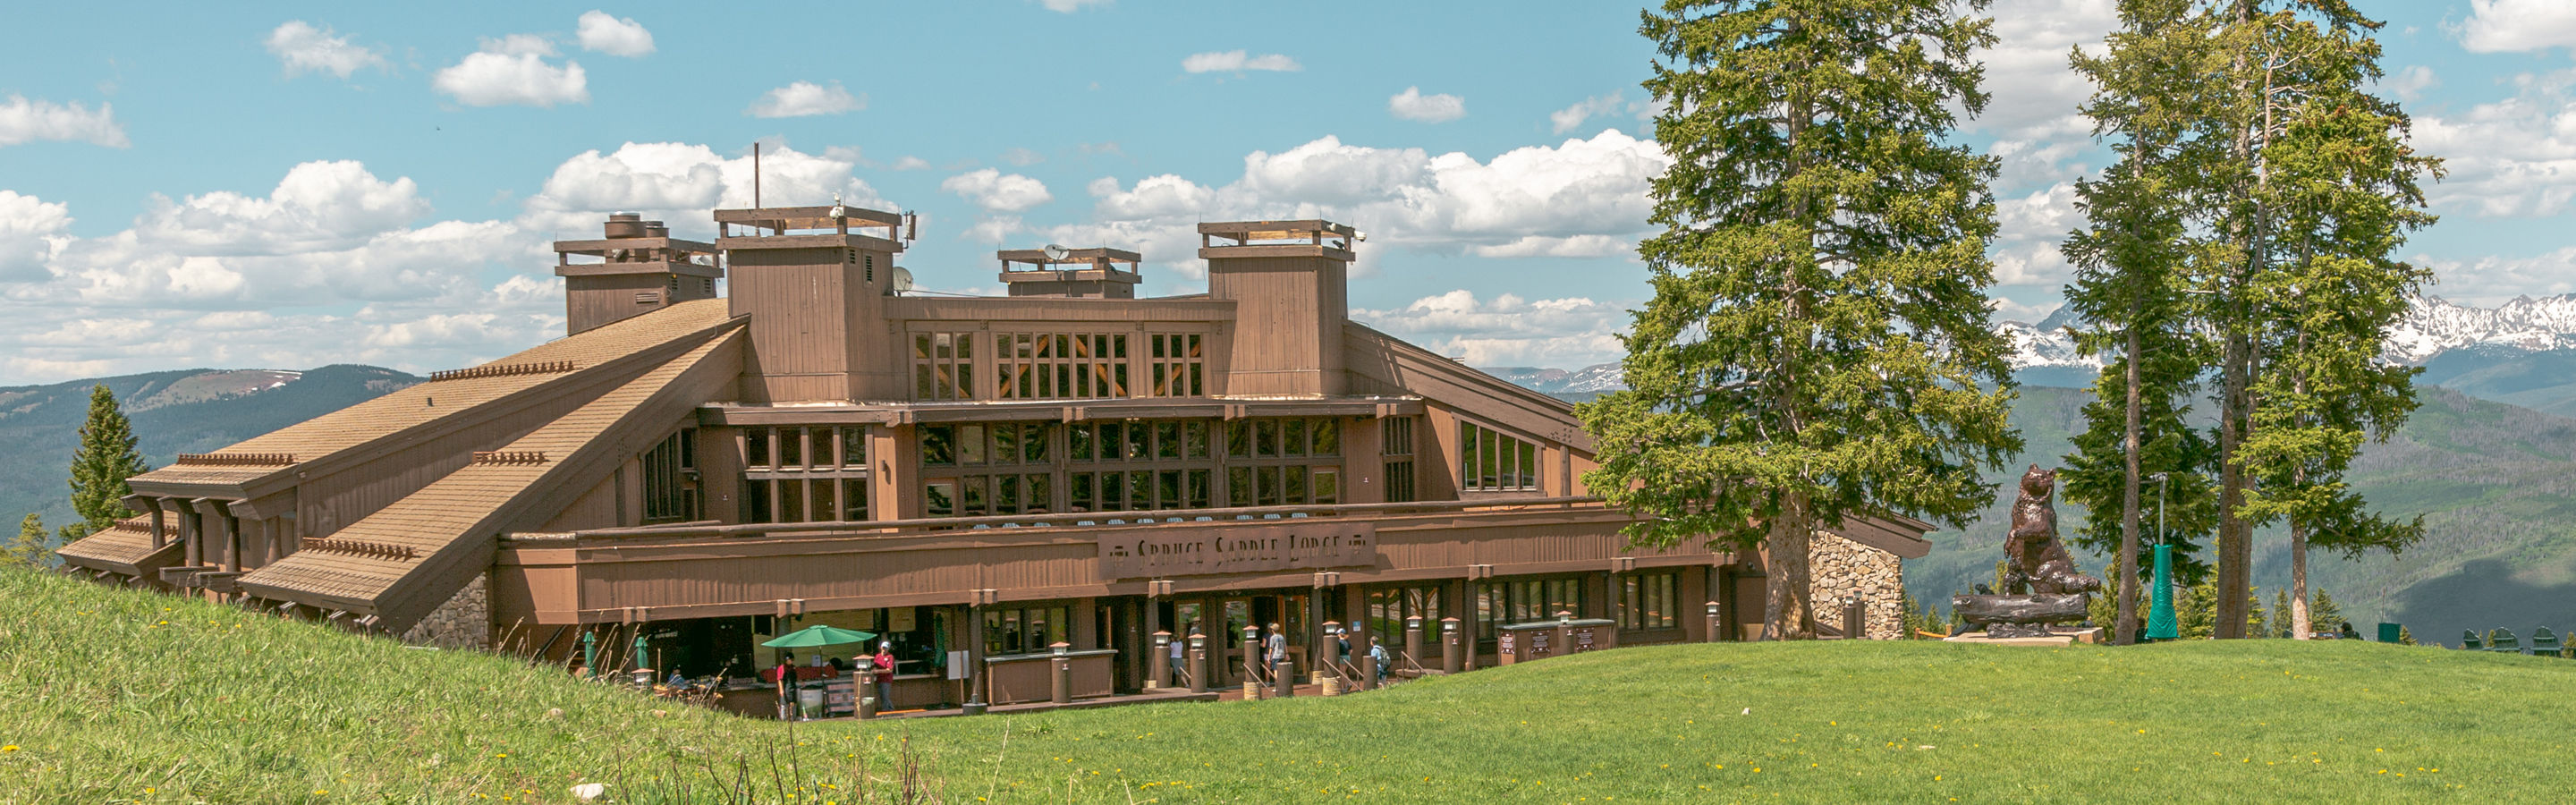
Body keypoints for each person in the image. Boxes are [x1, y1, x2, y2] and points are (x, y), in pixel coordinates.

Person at [873, 641, 898, 708]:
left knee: (885, 696)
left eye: (886, 648)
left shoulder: (890, 657)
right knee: (882, 696)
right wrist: (874, 670)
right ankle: (891, 709)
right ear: (880, 647)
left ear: (888, 649)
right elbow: (875, 665)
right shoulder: (877, 656)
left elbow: (890, 670)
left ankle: (886, 711)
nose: (884, 649)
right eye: (883, 648)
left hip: (886, 680)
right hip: (879, 679)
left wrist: (878, 671)